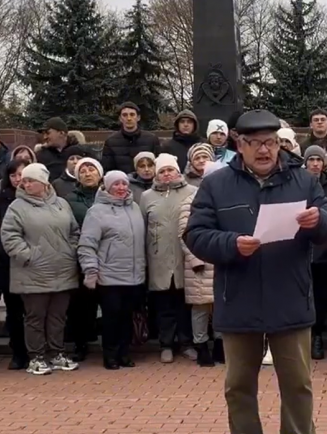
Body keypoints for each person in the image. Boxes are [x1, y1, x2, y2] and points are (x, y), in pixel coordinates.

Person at [184, 109, 327, 434]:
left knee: (298, 386)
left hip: (291, 298)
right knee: (238, 387)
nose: (264, 150)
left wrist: (319, 221)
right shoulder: (216, 183)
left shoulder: (303, 180)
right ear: (239, 144)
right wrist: (231, 244)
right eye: (254, 143)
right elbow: (195, 235)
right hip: (238, 300)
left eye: (269, 142)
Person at [1, 162, 82, 376]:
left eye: (30, 180)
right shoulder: (17, 207)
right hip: (33, 272)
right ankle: (36, 357)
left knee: (58, 316)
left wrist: (70, 251)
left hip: (63, 269)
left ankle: (57, 353)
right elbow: (9, 236)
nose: (25, 183)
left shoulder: (62, 204)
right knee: (35, 317)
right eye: (24, 180)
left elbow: (74, 231)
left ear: (44, 183)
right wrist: (28, 255)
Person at [78, 170, 147, 370]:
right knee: (111, 317)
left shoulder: (134, 207)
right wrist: (90, 270)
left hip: (134, 274)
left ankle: (124, 353)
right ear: (107, 186)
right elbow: (87, 244)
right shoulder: (97, 211)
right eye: (116, 184)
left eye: (124, 184)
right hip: (109, 275)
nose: (121, 188)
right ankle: (110, 355)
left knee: (127, 317)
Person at [141, 154, 198, 364]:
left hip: (186, 256)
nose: (166, 175)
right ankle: (166, 344)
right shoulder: (147, 197)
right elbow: (142, 227)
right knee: (163, 305)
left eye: (170, 170)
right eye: (162, 171)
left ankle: (186, 342)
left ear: (177, 171)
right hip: (158, 258)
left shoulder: (192, 192)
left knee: (185, 303)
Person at [0, 160, 30, 370]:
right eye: (14, 175)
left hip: (31, 262)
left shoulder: (42, 199)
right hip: (5, 264)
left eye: (22, 175)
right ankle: (18, 352)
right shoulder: (1, 199)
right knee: (14, 310)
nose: (18, 179)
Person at [180, 161, 228, 366]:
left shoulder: (227, 199)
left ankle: (219, 344)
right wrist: (196, 259)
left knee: (220, 307)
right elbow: (185, 234)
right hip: (199, 266)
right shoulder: (190, 201)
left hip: (222, 262)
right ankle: (201, 346)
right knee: (201, 309)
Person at [62, 156, 103, 362]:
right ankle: (81, 343)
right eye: (83, 171)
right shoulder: (69, 200)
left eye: (92, 169)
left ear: (100, 173)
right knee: (81, 305)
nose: (88, 174)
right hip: (82, 258)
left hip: (109, 258)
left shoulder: (110, 194)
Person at [302, 146, 327, 359]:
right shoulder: (297, 184)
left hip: (325, 252)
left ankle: (317, 336)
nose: (315, 163)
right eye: (311, 159)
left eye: (319, 159)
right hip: (299, 251)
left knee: (320, 297)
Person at [100, 101, 162, 174]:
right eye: (125, 115)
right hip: (121, 183)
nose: (129, 118)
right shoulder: (111, 141)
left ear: (138, 117)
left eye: (132, 115)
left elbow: (158, 165)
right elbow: (107, 169)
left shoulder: (152, 139)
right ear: (120, 118)